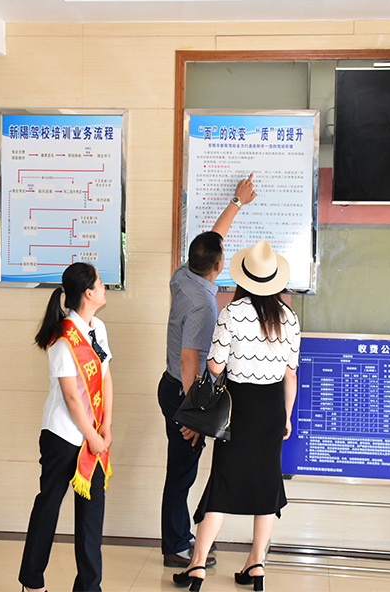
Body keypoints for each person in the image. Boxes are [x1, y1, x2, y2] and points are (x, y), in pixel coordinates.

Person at [173, 240, 301, 592]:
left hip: (238, 408)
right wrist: (286, 417)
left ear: (244, 278)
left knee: (223, 482)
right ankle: (256, 564)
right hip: (272, 408)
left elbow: (214, 367)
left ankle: (197, 565)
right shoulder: (289, 318)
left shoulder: (231, 313)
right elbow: (290, 375)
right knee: (267, 484)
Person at [158, 174, 257, 568]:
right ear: (219, 265)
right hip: (183, 391)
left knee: (182, 469)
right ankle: (176, 545)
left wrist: (237, 201)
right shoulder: (203, 305)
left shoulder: (183, 274)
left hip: (173, 386)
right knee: (181, 473)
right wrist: (192, 414)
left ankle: (181, 536)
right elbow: (189, 360)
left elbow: (213, 239)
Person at [19, 263, 113, 592]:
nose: (104, 287)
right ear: (88, 293)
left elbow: (105, 377)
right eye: (100, 283)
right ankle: (32, 581)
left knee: (91, 516)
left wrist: (106, 427)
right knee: (49, 506)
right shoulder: (62, 338)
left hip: (94, 435)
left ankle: (89, 587)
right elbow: (71, 397)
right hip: (63, 437)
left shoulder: (98, 328)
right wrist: (92, 436)